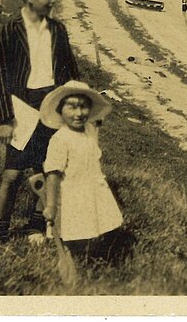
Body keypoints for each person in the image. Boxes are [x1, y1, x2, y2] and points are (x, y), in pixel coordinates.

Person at [0, 0, 81, 251]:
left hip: (52, 104)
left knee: (48, 168)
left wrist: (76, 106)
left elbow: (70, 71)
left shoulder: (57, 30)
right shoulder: (9, 30)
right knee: (12, 174)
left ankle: (37, 225)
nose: (53, 1)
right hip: (22, 107)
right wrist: (5, 119)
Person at [41, 81, 123, 262]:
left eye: (84, 107)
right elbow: (53, 174)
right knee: (73, 232)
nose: (78, 114)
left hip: (92, 188)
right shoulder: (60, 139)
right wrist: (51, 205)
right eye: (71, 107)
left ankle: (94, 258)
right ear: (60, 110)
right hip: (72, 194)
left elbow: (95, 126)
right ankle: (70, 260)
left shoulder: (88, 130)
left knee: (96, 226)